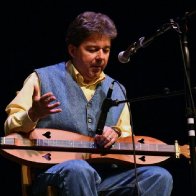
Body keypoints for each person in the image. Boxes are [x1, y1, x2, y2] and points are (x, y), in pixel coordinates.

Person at [4, 11, 173, 196]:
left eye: (106, 50)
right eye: (92, 49)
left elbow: (125, 134)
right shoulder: (41, 78)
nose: (101, 57)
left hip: (105, 176)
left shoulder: (117, 89)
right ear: (73, 50)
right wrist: (32, 114)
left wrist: (115, 134)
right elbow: (9, 127)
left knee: (158, 176)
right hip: (53, 172)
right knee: (79, 170)